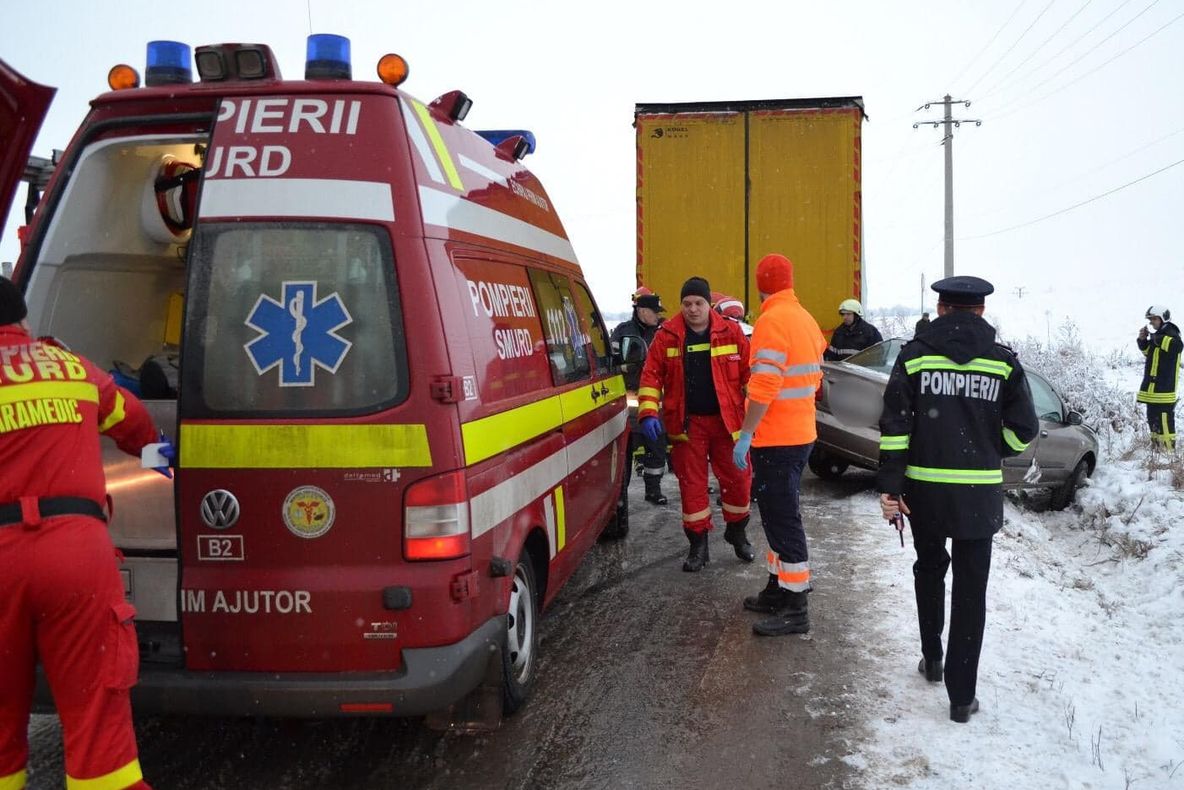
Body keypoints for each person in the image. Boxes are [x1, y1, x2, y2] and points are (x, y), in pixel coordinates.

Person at [0, 276, 161, 789]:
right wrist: (172, 459)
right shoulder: (71, 367)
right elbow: (136, 428)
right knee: (97, 723)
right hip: (77, 556)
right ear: (23, 320)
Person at [877, 275, 1038, 724]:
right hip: (977, 495)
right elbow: (1024, 430)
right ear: (981, 312)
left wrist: (892, 486)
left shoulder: (913, 358)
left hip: (923, 493)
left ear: (942, 309)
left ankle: (932, 658)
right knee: (971, 591)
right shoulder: (1003, 362)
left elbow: (894, 430)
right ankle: (961, 698)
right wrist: (990, 445)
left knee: (929, 570)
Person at [732, 254, 827, 636]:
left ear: (761, 285)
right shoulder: (804, 318)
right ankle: (777, 587)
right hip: (799, 434)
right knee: (774, 514)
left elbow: (765, 386)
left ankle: (796, 604)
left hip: (776, 439)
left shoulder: (771, 322)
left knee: (783, 517)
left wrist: (746, 433)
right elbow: (814, 377)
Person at [637, 276, 754, 571]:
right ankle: (698, 546)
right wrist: (649, 413)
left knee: (739, 483)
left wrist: (758, 415)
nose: (692, 309)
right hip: (688, 427)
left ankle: (737, 533)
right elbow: (651, 377)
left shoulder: (731, 332)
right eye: (687, 304)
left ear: (709, 304)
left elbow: (750, 375)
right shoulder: (667, 335)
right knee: (693, 488)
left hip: (728, 426)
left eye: (698, 303)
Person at [611, 286, 669, 504]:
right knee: (627, 447)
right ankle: (619, 495)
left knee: (657, 446)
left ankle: (653, 490)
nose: (657, 315)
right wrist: (632, 366)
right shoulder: (622, 332)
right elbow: (614, 363)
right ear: (642, 311)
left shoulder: (663, 331)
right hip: (631, 398)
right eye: (654, 311)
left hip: (656, 401)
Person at [1137, 305, 1180, 452]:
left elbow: (1177, 347)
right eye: (1150, 320)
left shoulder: (1172, 335)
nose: (1151, 322)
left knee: (1165, 423)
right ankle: (1156, 450)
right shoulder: (1159, 336)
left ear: (1163, 318)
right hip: (1152, 391)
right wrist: (1143, 340)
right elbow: (1150, 353)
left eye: (1154, 319)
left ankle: (1169, 453)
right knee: (1153, 420)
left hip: (1164, 391)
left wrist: (1156, 338)